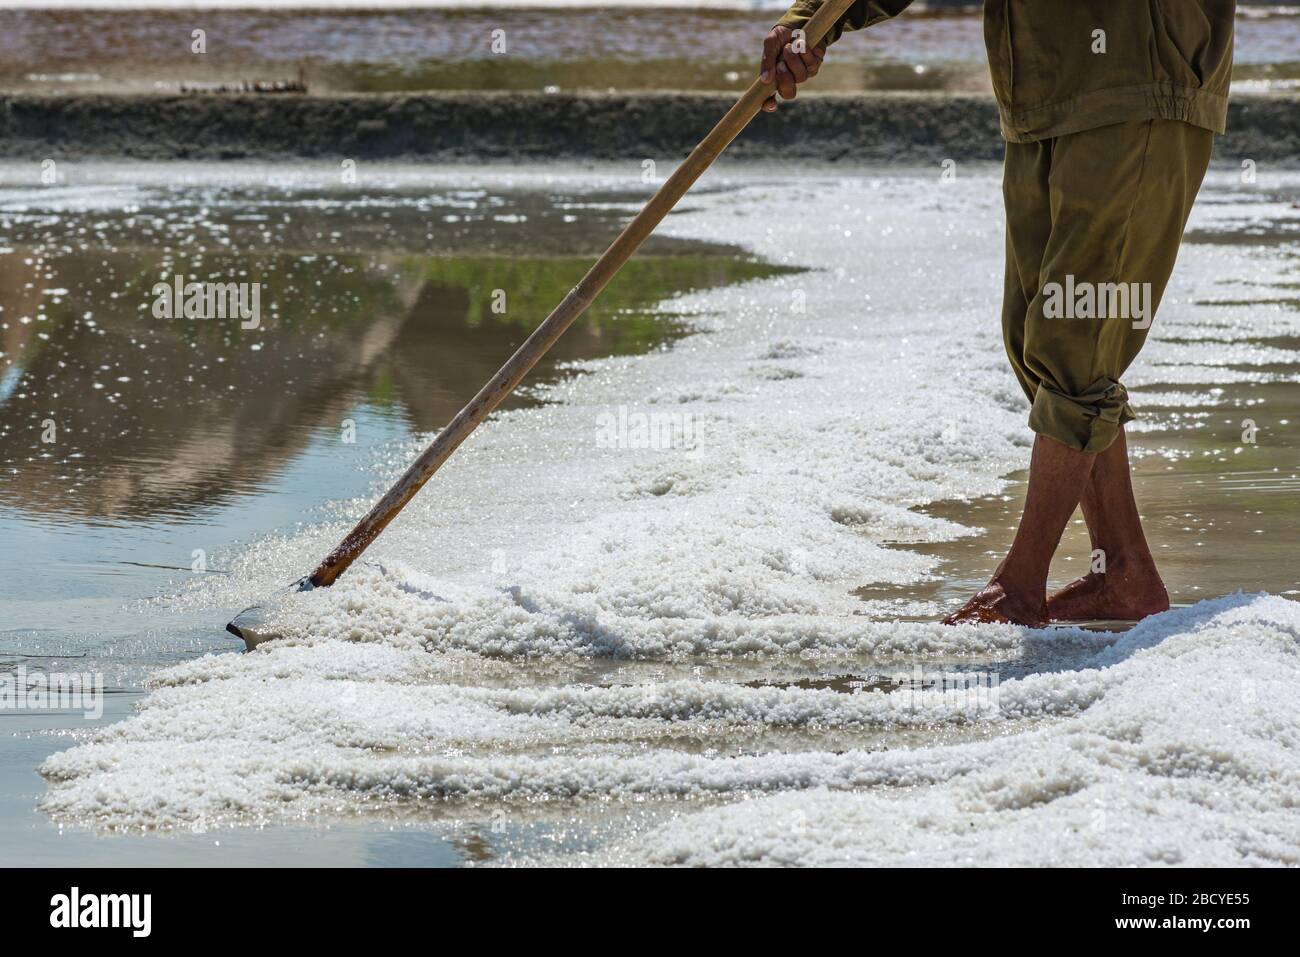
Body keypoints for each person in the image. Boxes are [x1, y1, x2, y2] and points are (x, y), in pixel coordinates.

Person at [760, 0, 1236, 626]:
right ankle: (1124, 571)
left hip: (1140, 75)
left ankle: (1019, 584)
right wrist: (812, 22)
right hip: (1040, 89)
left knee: (1075, 343)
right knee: (1033, 340)